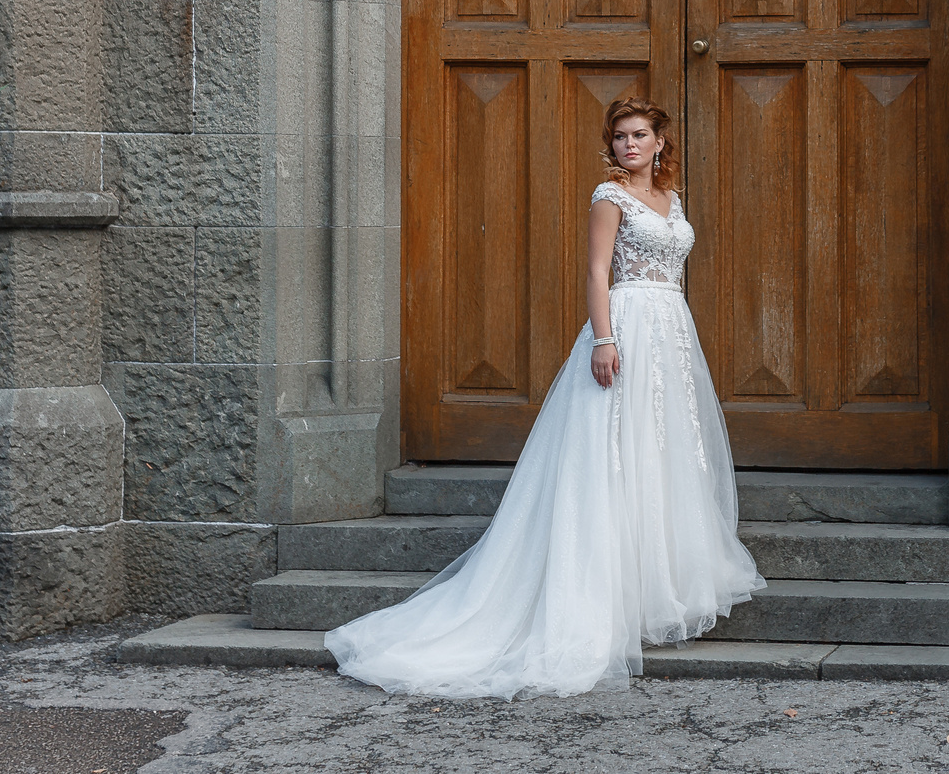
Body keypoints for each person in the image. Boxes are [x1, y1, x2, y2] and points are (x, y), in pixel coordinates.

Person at [324, 95, 763, 698]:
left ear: (661, 143)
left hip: (672, 333)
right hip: (627, 324)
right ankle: (592, 601)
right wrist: (604, 339)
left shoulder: (672, 200)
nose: (627, 145)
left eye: (638, 135)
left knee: (659, 452)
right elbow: (596, 271)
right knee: (608, 458)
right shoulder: (609, 199)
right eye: (618, 137)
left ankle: (652, 591)